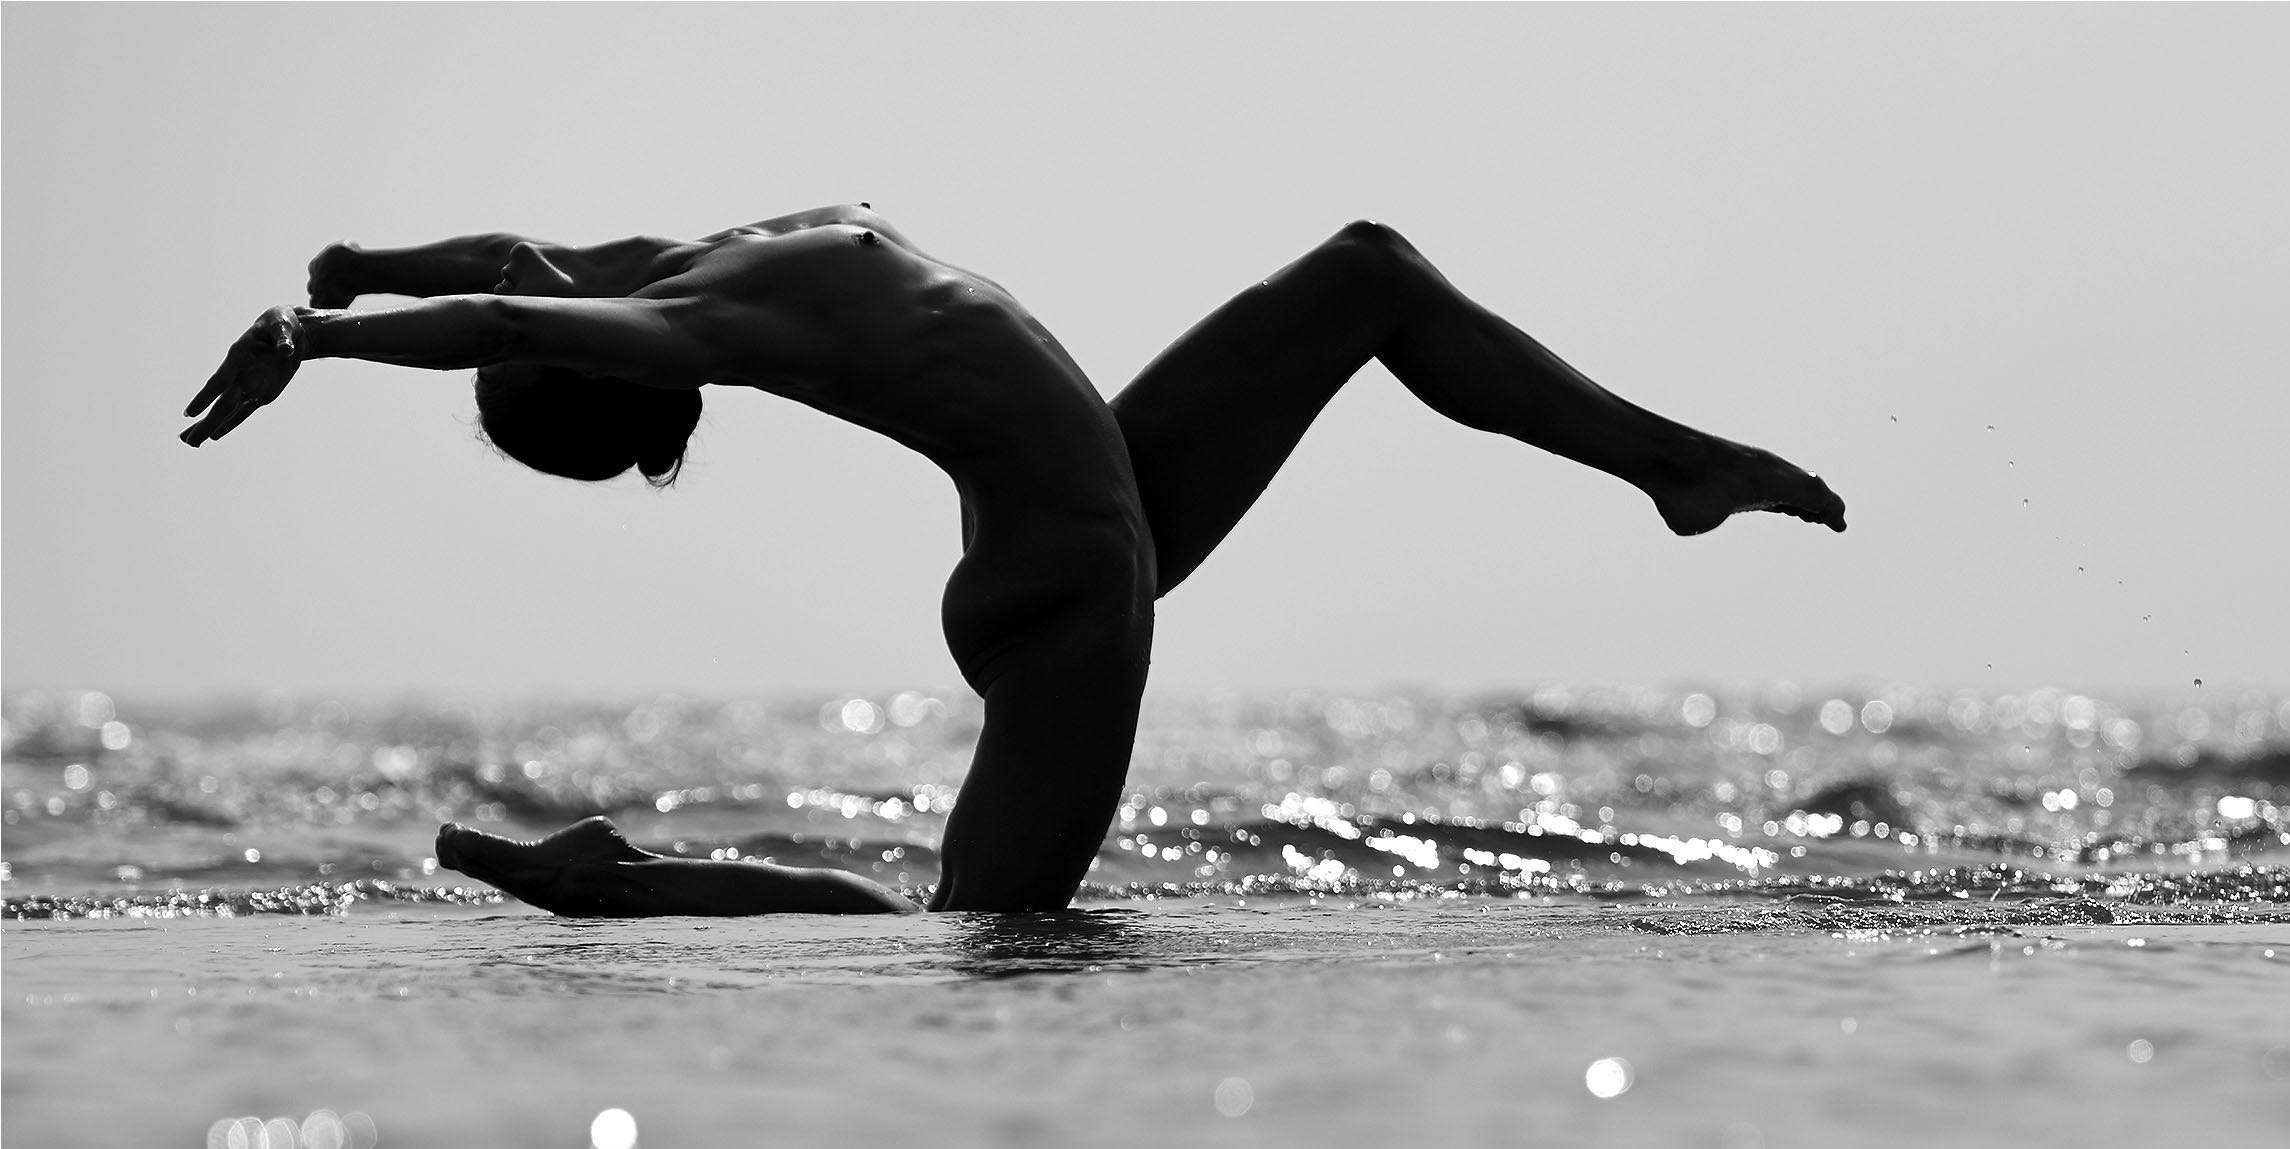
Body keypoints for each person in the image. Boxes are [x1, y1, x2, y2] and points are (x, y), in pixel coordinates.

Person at [182, 205, 1847, 916]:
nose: (535, 270)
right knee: (977, 933)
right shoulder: (690, 311)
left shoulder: (668, 262)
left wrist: (357, 254)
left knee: (1366, 273)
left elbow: (486, 266)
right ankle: (617, 886)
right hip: (1064, 581)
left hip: (1087, 505)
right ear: (603, 362)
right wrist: (314, 333)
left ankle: (1672, 469)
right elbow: (497, 307)